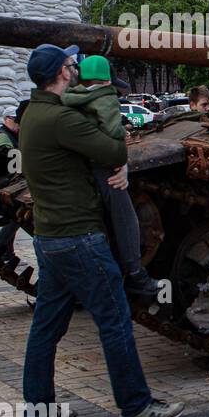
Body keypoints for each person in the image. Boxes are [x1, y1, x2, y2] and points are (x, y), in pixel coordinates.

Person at [19, 43, 184, 417]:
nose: (75, 69)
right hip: (80, 239)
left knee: (46, 327)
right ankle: (137, 407)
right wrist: (105, 100)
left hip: (51, 238)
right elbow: (112, 147)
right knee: (114, 320)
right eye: (71, 65)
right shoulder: (62, 120)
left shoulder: (34, 115)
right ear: (62, 73)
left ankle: (39, 413)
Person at [62, 55, 157, 298]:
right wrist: (120, 156)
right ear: (106, 82)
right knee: (125, 215)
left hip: (77, 166)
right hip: (103, 166)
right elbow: (112, 130)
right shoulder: (105, 97)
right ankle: (135, 271)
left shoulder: (70, 98)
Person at [0, 104, 25, 265]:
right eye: (16, 120)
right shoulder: (4, 136)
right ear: (7, 119)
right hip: (5, 183)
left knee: (16, 217)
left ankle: (5, 251)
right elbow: (9, 160)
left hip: (10, 181)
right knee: (16, 216)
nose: (18, 124)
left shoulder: (12, 135)